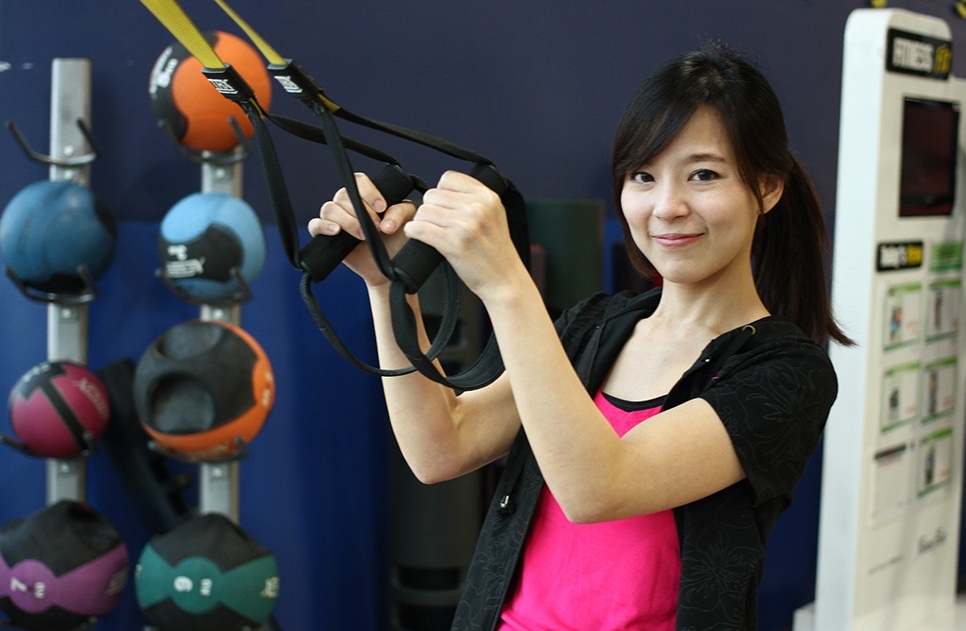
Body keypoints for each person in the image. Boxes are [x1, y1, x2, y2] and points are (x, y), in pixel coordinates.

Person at [309, 40, 851, 631]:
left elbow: (598, 488)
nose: (667, 206)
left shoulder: (786, 374)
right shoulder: (595, 326)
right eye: (643, 176)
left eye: (703, 175)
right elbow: (442, 448)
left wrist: (507, 285)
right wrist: (388, 285)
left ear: (766, 187)